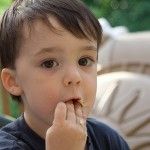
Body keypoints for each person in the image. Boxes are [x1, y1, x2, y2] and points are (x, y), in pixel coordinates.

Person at [0, 0, 130, 149]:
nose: (74, 77)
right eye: (49, 63)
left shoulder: (108, 140)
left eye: (84, 61)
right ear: (13, 81)